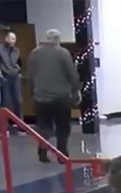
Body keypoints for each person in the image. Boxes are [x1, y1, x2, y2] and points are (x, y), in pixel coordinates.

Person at [26, 29, 80, 162]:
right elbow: (72, 74)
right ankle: (62, 155)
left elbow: (30, 76)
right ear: (57, 39)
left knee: (44, 127)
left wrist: (32, 92)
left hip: (40, 98)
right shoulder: (62, 53)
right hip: (60, 98)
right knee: (62, 127)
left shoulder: (34, 53)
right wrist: (76, 90)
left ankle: (43, 152)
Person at [0, 31, 22, 123]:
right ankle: (3, 124)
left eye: (15, 39)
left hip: (15, 76)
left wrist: (19, 71)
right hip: (3, 76)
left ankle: (20, 124)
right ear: (6, 38)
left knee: (18, 100)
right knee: (4, 101)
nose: (13, 41)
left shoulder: (16, 50)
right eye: (11, 38)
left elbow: (19, 63)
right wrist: (0, 74)